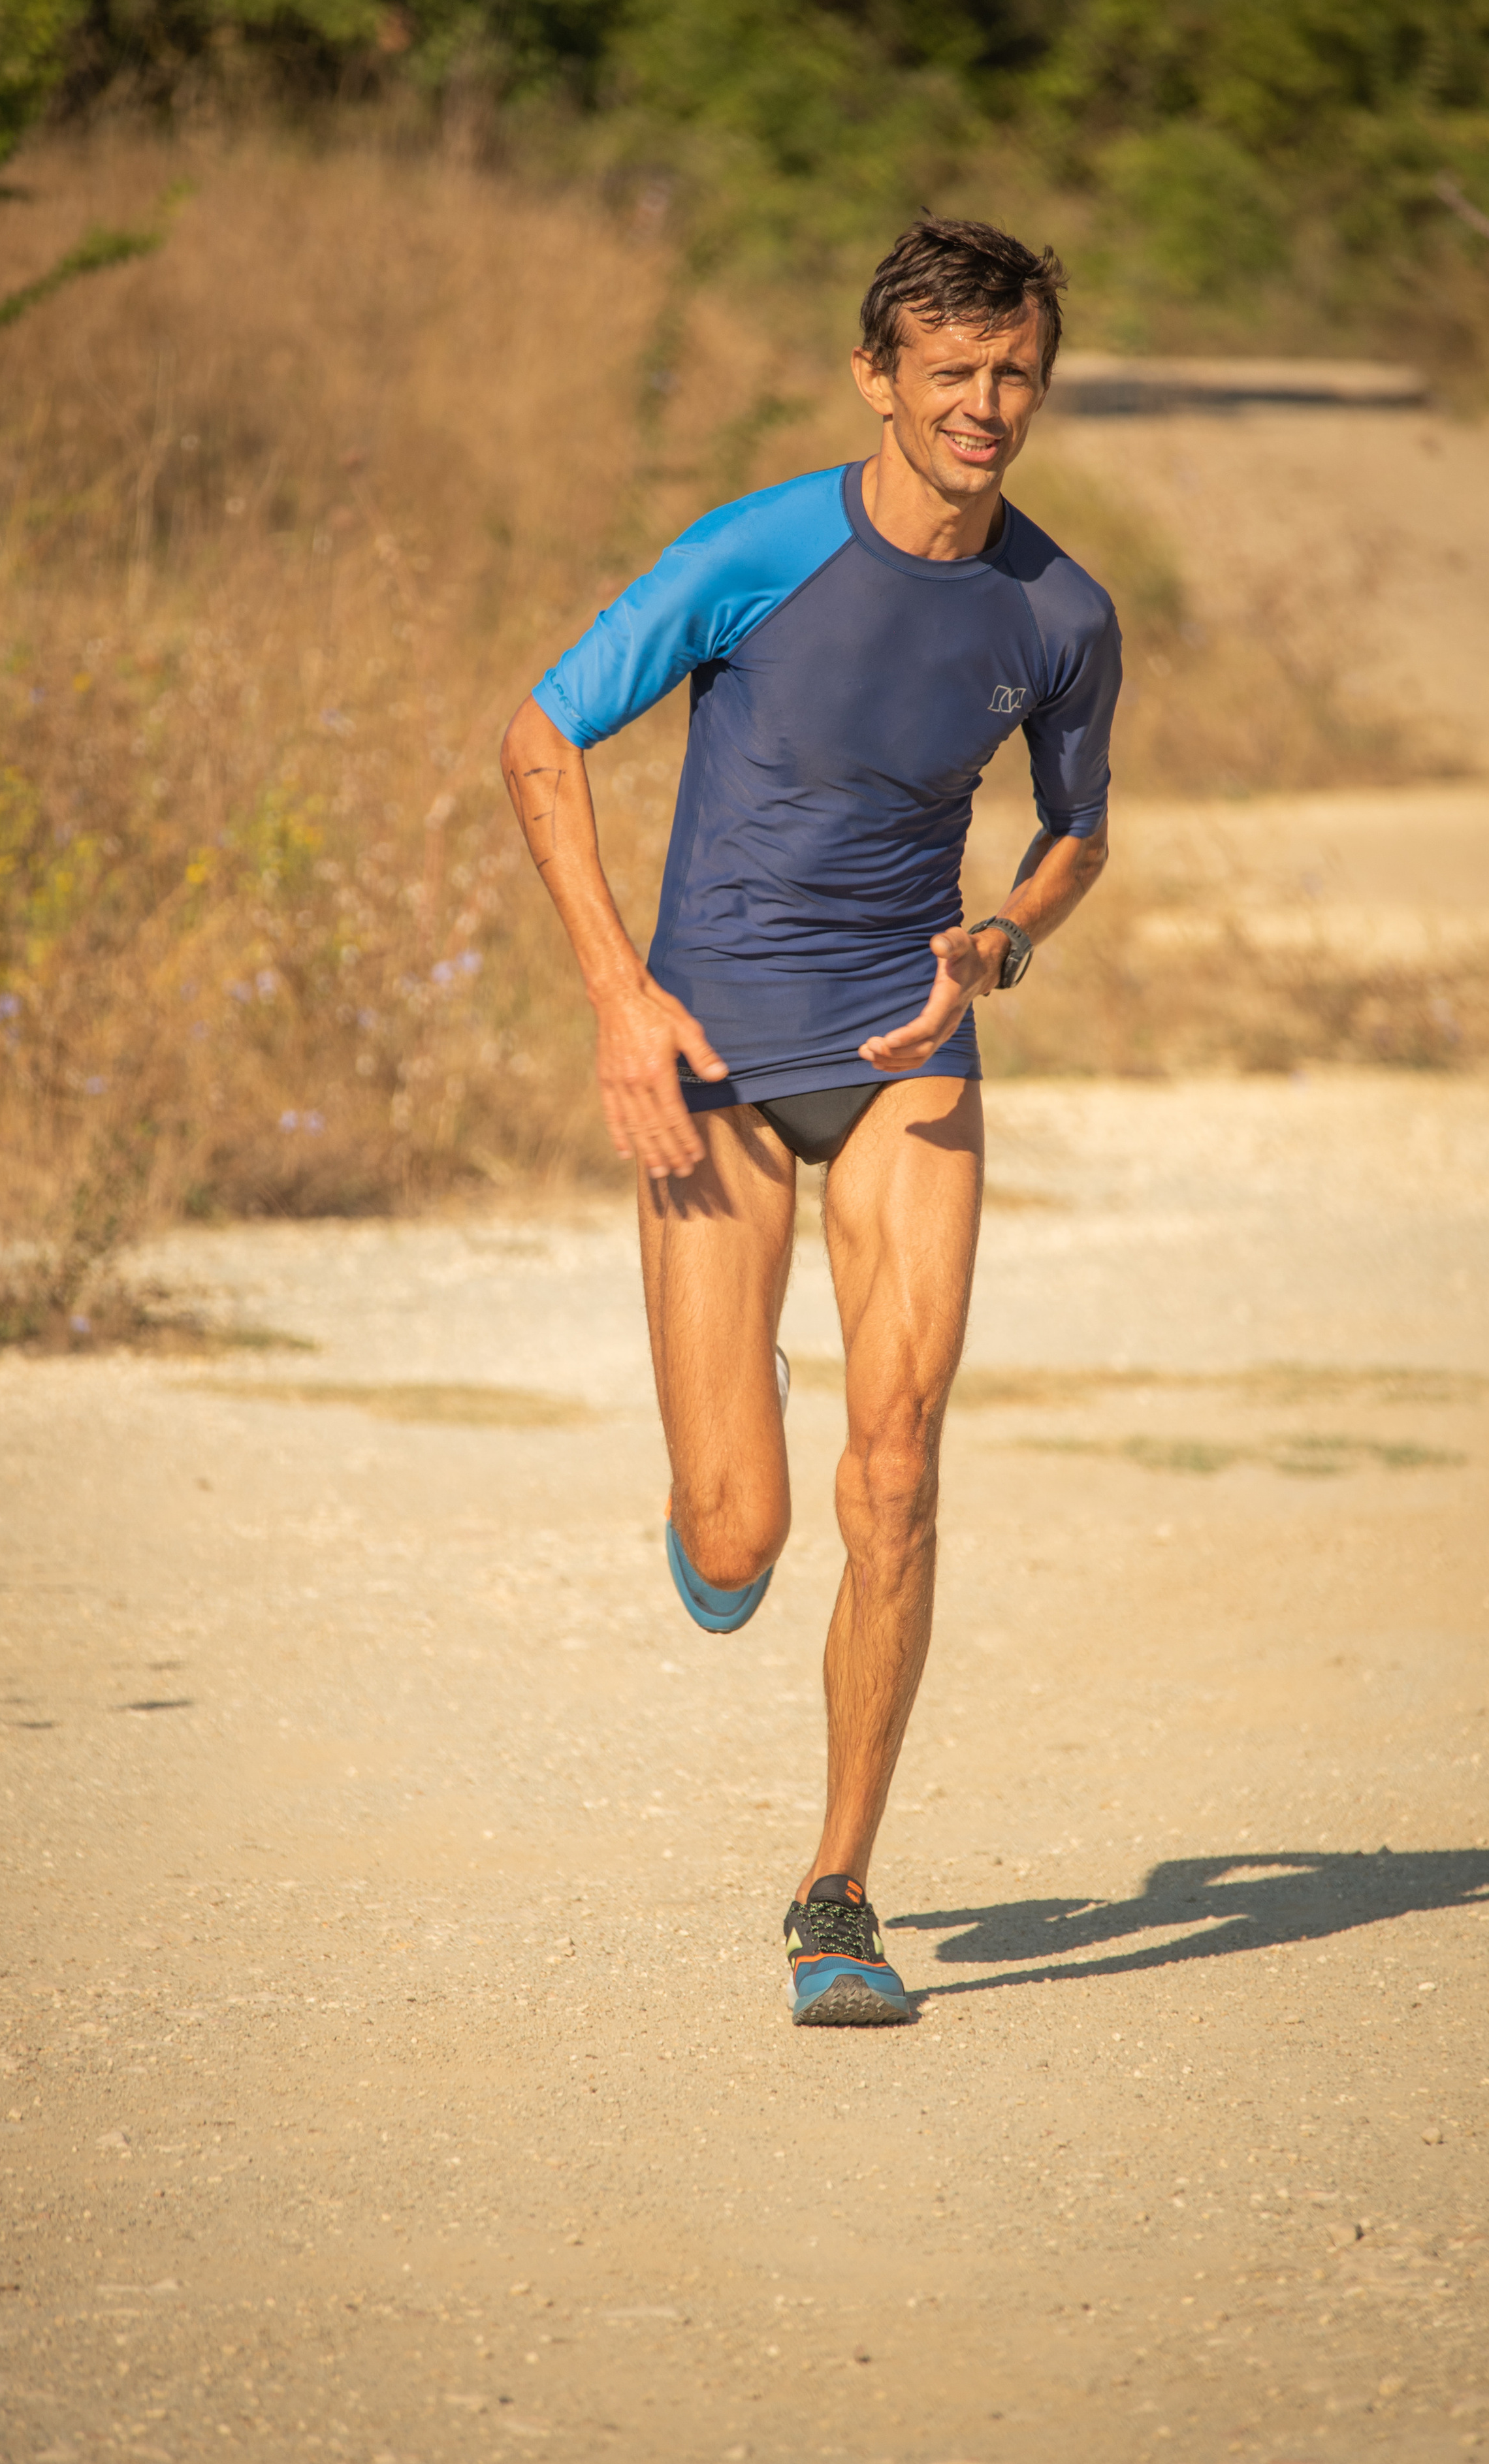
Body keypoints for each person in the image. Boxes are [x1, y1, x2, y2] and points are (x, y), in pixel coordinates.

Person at [500, 217, 1120, 2026]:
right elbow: (539, 735)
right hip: (714, 1053)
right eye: (952, 375)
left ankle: (838, 1889)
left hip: (907, 1051)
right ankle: (731, 1424)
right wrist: (623, 998)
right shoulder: (756, 550)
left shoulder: (1059, 611)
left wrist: (999, 938)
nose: (987, 407)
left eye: (1015, 373)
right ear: (880, 379)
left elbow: (1075, 830)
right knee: (739, 1533)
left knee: (903, 1466)